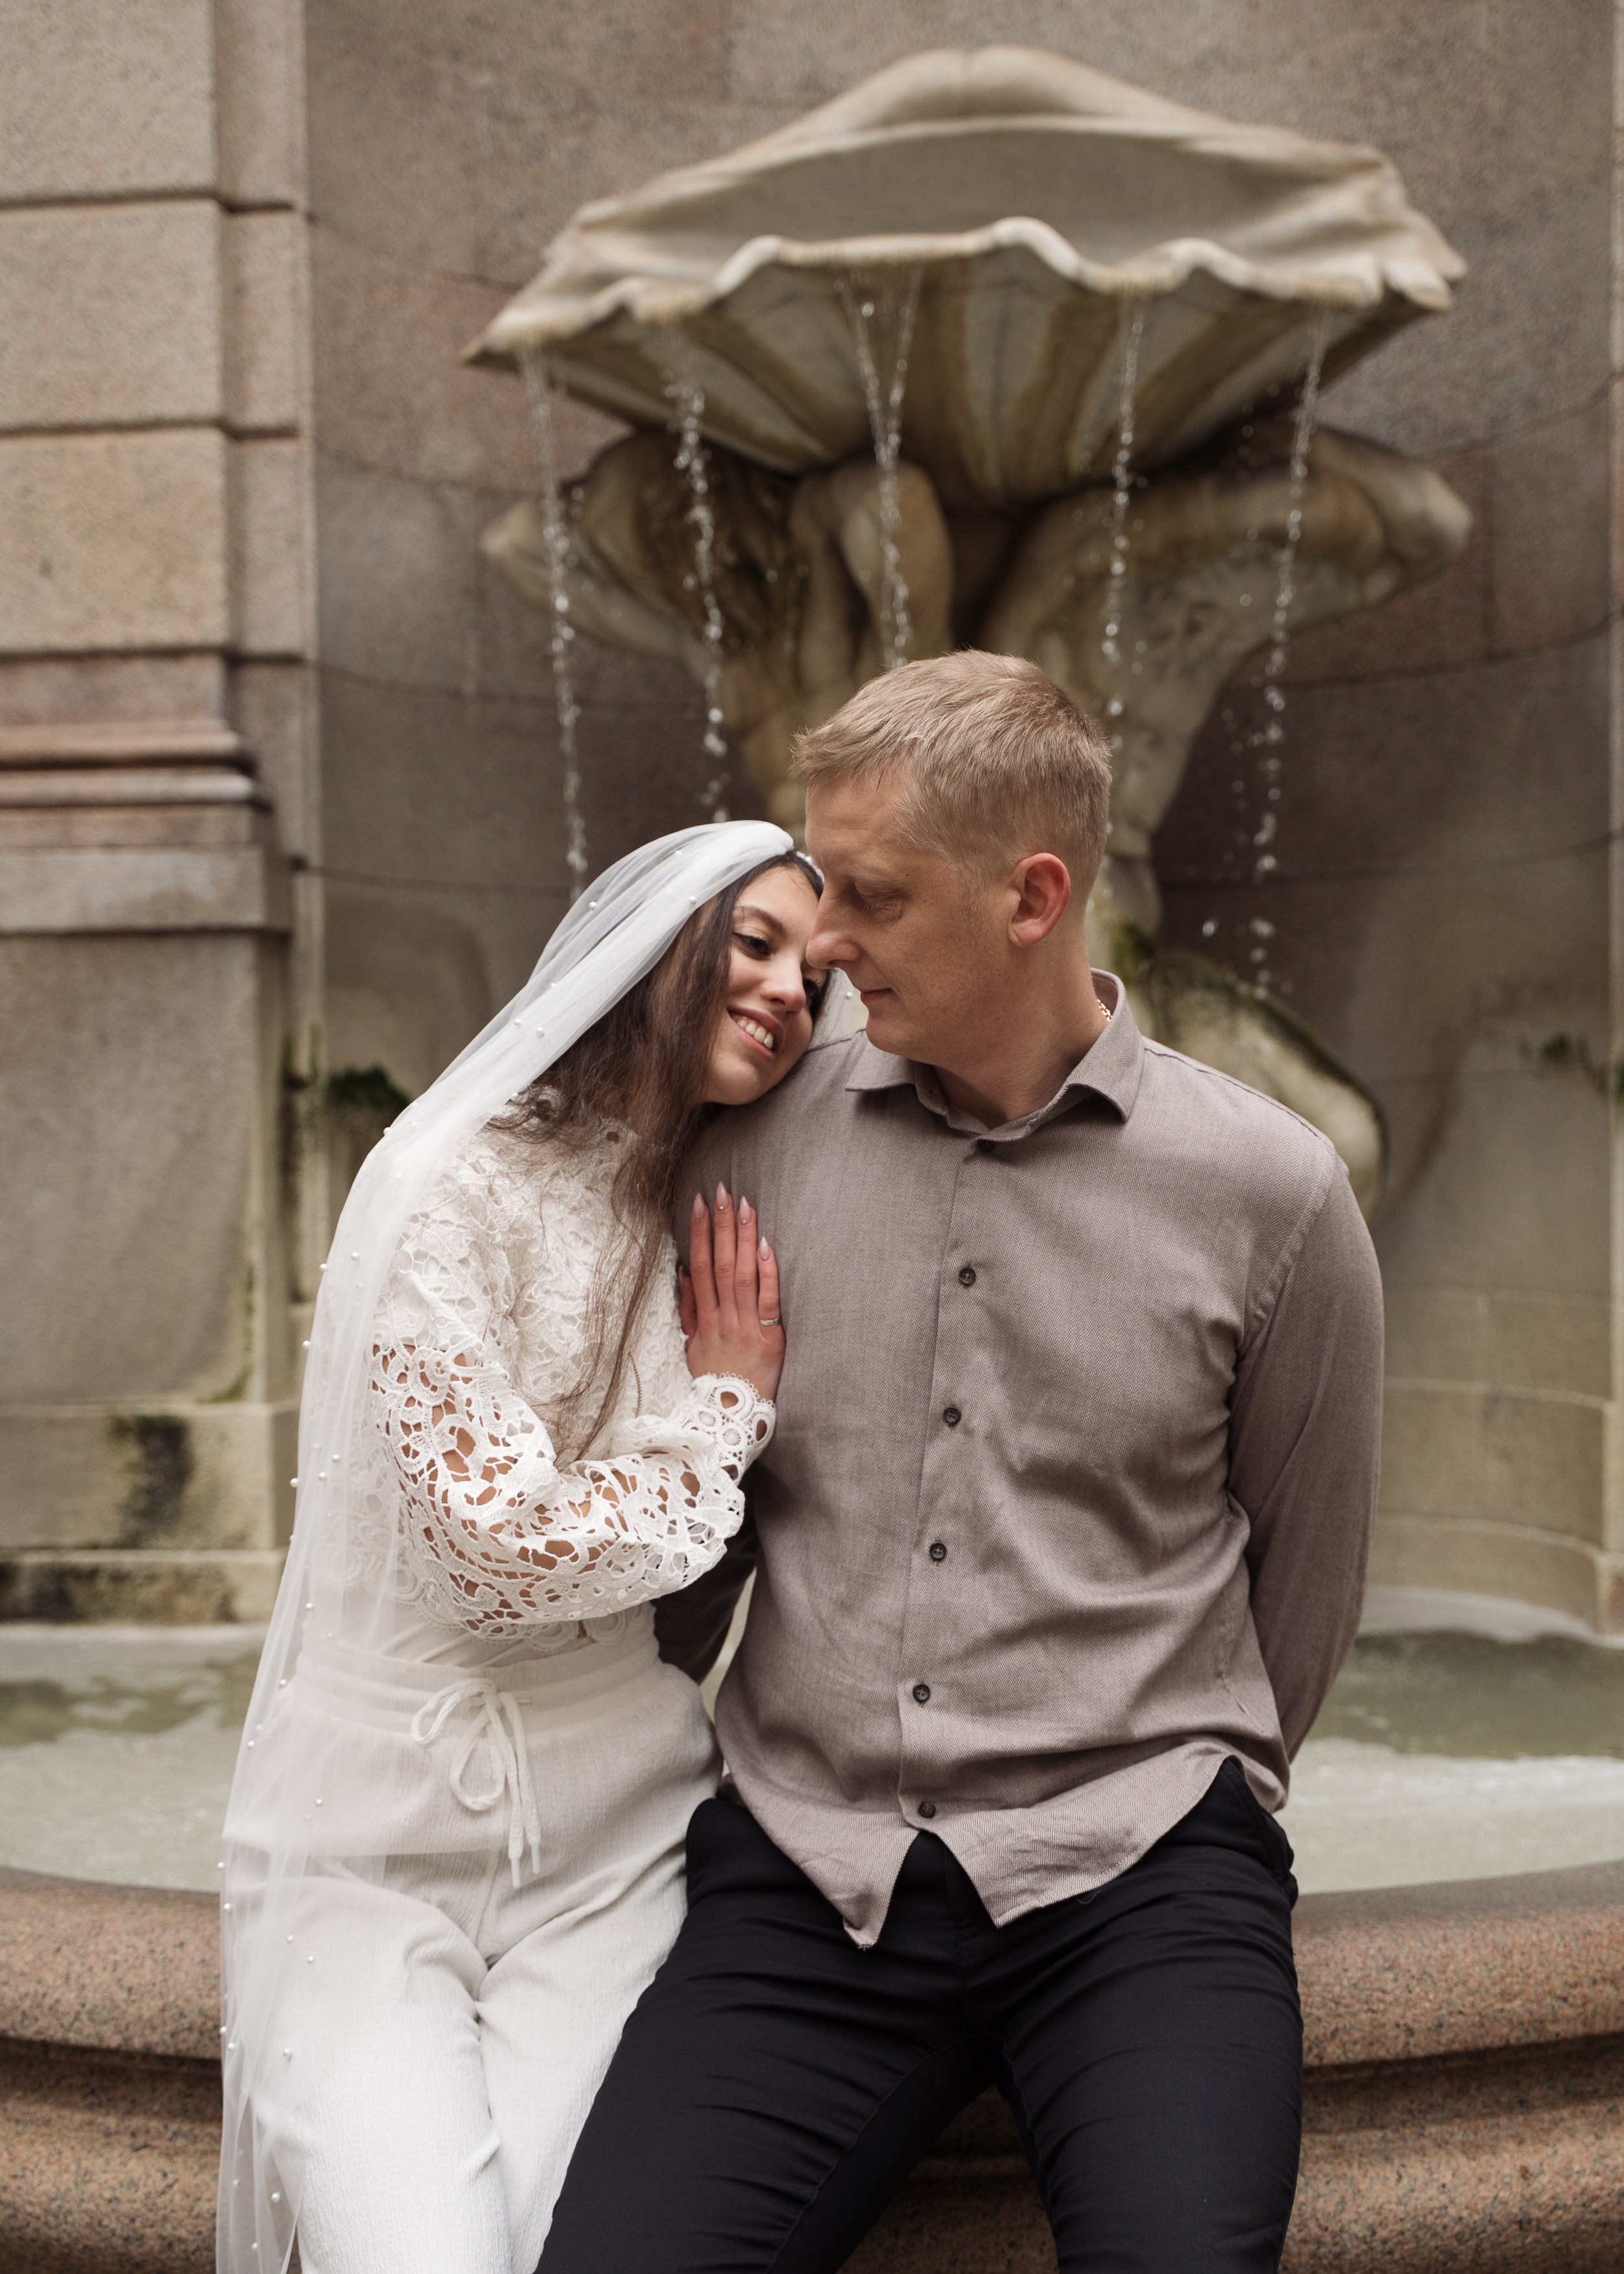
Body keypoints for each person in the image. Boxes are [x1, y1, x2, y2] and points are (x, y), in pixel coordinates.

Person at [540, 654, 1386, 2274]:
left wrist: (1156, 1780)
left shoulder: (1270, 1189)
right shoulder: (745, 1146)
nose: (820, 943)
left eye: (869, 894)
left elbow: (1310, 1568)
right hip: (805, 1885)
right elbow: (686, 1541)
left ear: (1031, 895)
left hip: (1141, 1882)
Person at [218, 823, 838, 2274]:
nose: (788, 992)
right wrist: (725, 1406)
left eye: (815, 973)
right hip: (375, 1838)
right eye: (755, 943)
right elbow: (490, 1544)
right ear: (652, 946)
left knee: (590, 2247)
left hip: (621, 1830)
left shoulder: (715, 1206)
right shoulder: (446, 1177)